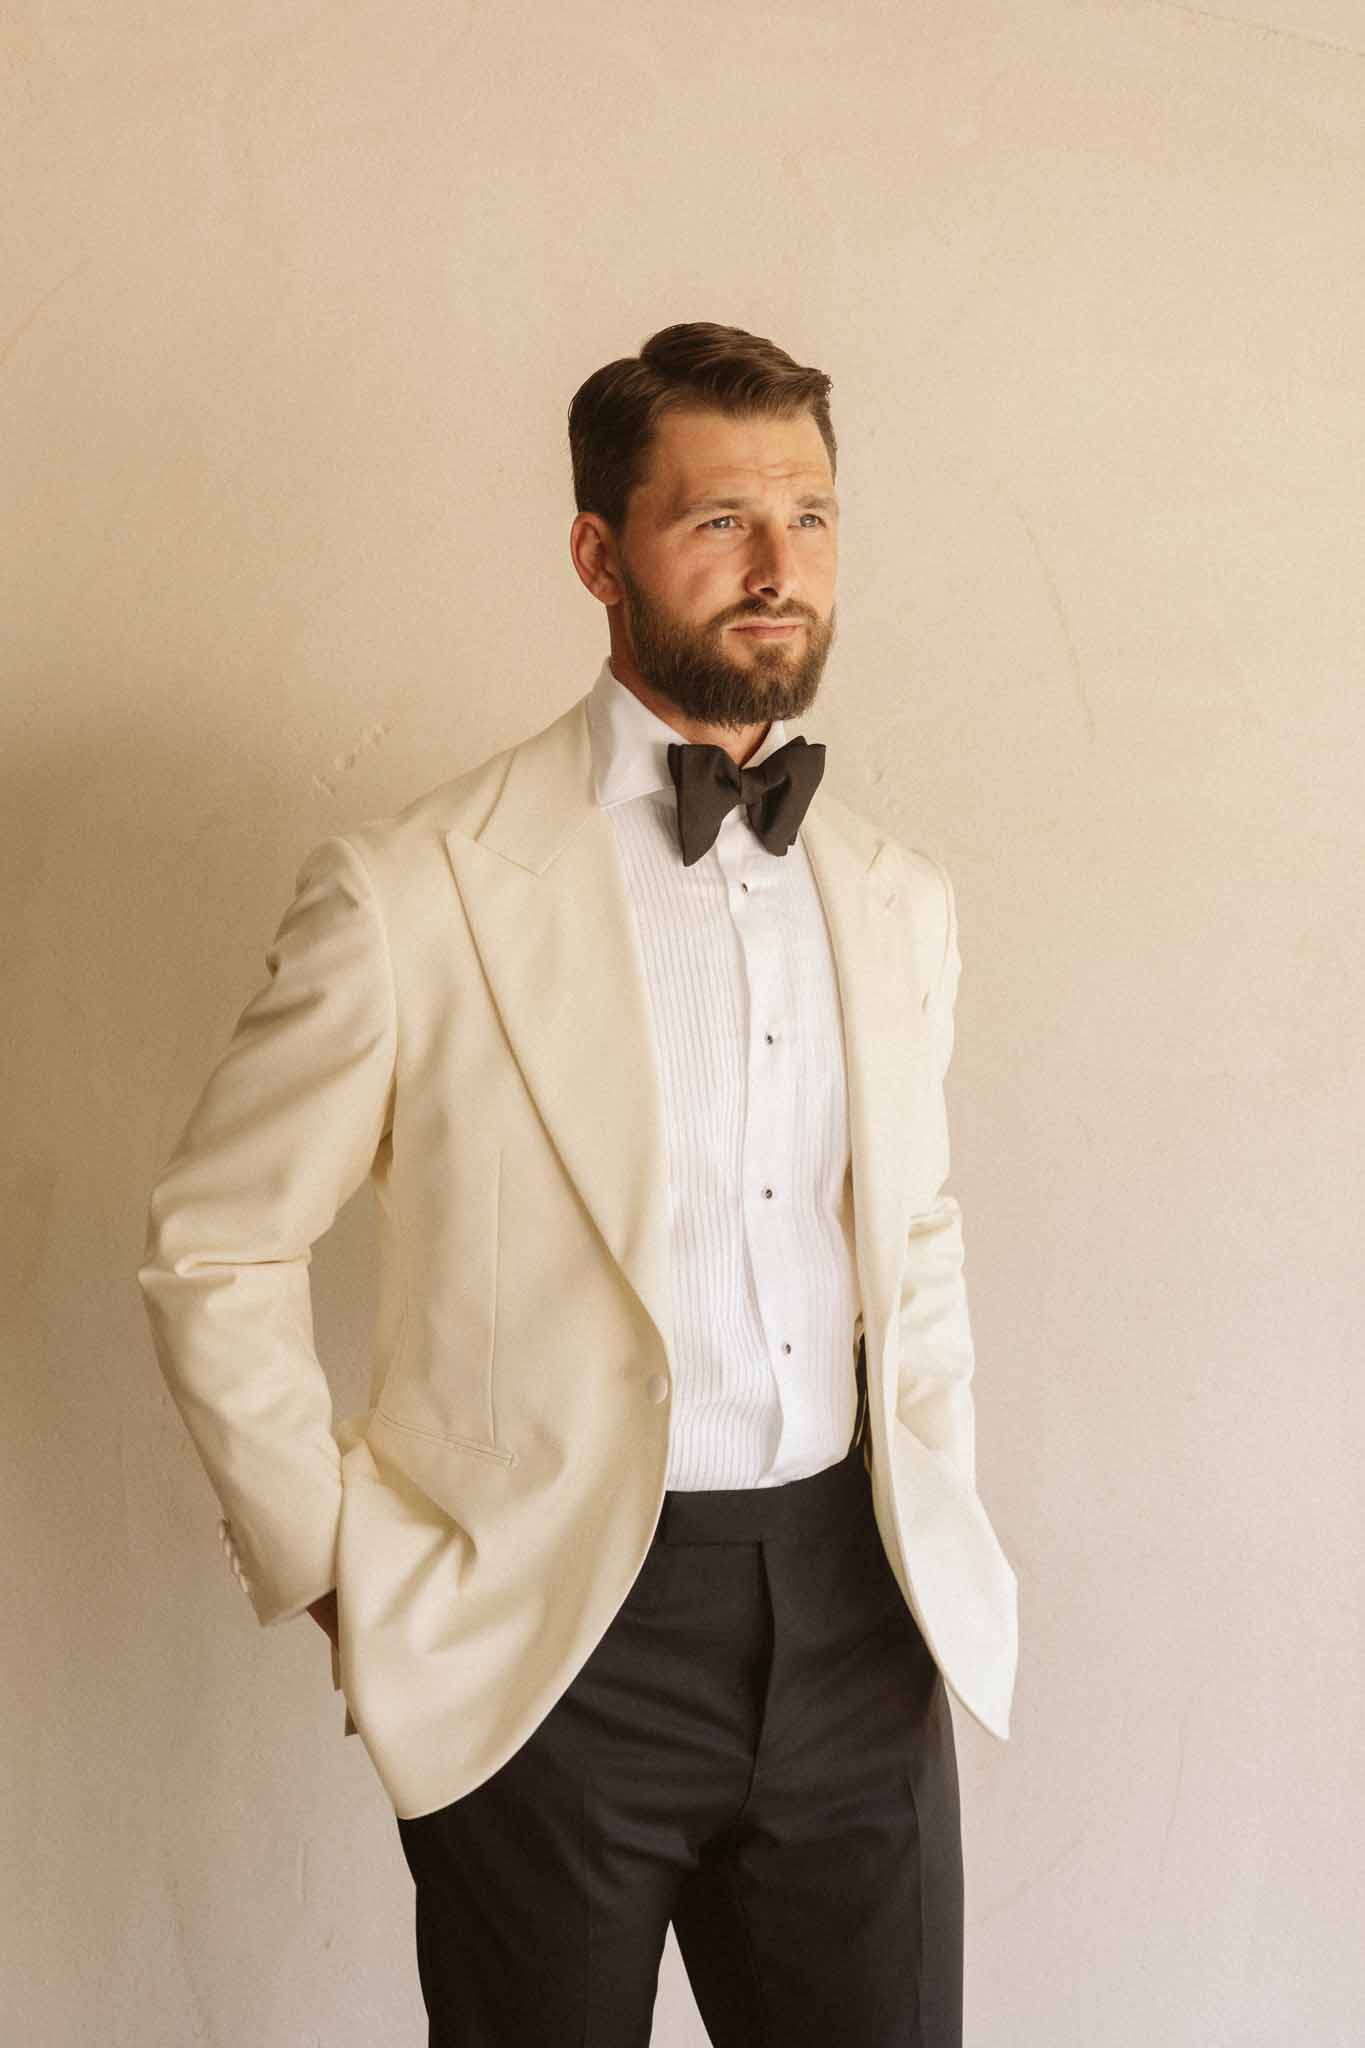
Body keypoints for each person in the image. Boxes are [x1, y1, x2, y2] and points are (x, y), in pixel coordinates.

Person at [138, 320, 1018, 2046]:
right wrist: (345, 1575)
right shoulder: (412, 893)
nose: (779, 568)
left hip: (854, 1619)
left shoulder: (897, 898)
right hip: (546, 1642)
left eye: (812, 516)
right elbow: (214, 1244)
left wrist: (931, 1503)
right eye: (719, 522)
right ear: (597, 555)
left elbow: (911, 1231)